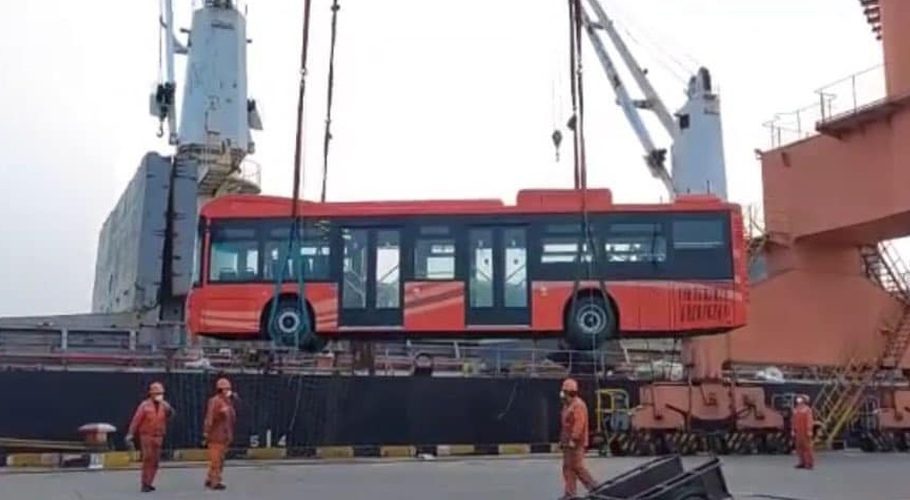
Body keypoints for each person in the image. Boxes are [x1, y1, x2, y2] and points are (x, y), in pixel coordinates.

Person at [126, 381, 175, 493]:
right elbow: (136, 420)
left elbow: (171, 416)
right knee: (147, 459)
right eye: (157, 393)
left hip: (159, 436)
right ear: (151, 394)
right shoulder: (144, 406)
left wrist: (170, 409)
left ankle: (150, 482)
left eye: (160, 393)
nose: (159, 395)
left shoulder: (164, 405)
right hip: (146, 436)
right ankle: (145, 483)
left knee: (155, 461)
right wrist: (130, 433)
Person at [560, 378, 596, 499]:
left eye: (563, 391)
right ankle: (570, 493)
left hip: (576, 443)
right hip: (567, 442)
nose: (562, 394)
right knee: (568, 467)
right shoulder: (567, 405)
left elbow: (579, 425)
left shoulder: (578, 406)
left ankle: (594, 487)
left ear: (568, 392)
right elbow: (566, 425)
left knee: (577, 467)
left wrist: (573, 439)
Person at [204, 377, 237, 490]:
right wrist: (206, 432)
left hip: (224, 436)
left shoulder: (227, 402)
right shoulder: (215, 401)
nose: (228, 391)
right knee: (216, 460)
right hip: (216, 436)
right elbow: (210, 418)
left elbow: (230, 419)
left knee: (220, 460)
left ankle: (210, 479)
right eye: (226, 389)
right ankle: (215, 482)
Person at [792, 394, 815, 470]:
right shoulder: (796, 409)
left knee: (807, 448)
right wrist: (793, 430)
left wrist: (809, 430)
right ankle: (802, 462)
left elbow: (809, 421)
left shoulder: (807, 410)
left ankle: (809, 463)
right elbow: (793, 421)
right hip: (798, 431)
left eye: (800, 398)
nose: (798, 400)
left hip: (805, 431)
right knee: (799, 447)